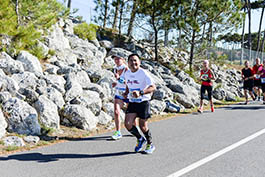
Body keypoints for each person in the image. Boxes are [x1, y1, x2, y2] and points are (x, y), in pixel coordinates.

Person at [123, 53, 156, 154]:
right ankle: (140, 139)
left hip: (143, 102)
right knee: (128, 124)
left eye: (135, 60)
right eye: (131, 61)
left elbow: (153, 87)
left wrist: (141, 92)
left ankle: (150, 144)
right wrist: (126, 92)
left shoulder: (143, 73)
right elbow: (128, 84)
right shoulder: (127, 73)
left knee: (143, 126)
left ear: (139, 62)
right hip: (133, 102)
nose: (133, 63)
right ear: (128, 63)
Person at [111, 54, 129, 140]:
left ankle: (135, 127)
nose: (116, 60)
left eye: (118, 58)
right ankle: (118, 132)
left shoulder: (127, 69)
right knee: (116, 112)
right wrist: (116, 83)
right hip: (118, 93)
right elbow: (119, 81)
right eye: (115, 59)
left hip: (128, 93)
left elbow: (130, 82)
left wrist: (118, 79)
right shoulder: (115, 69)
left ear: (123, 59)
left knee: (130, 114)